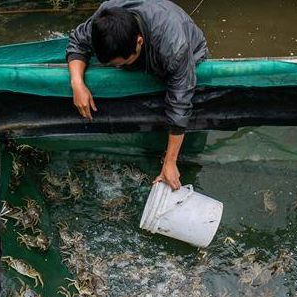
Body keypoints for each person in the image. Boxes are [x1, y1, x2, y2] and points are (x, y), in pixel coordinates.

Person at [66, 0, 209, 190]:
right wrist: (77, 82)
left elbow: (180, 104)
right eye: (113, 65)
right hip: (149, 51)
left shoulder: (174, 46)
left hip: (186, 57)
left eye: (122, 63)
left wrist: (170, 162)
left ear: (139, 42)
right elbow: (77, 42)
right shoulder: (104, 19)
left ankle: (185, 152)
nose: (117, 68)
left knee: (188, 118)